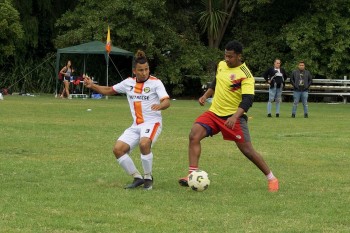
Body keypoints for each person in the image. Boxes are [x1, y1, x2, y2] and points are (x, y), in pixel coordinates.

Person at [178, 40, 279, 192]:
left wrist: (235, 117)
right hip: (214, 113)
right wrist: (205, 96)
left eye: (230, 56)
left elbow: (248, 99)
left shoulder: (245, 75)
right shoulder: (221, 65)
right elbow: (216, 82)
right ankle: (192, 174)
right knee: (194, 134)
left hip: (233, 117)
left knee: (247, 151)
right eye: (225, 55)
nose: (227, 59)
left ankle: (271, 178)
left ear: (239, 56)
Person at [83, 50, 170, 190]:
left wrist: (160, 105)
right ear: (134, 71)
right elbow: (109, 90)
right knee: (118, 150)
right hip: (136, 125)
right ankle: (137, 177)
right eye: (141, 70)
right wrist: (92, 86)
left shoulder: (156, 83)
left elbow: (166, 101)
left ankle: (148, 178)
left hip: (152, 123)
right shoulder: (128, 83)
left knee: (144, 144)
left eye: (146, 69)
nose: (144, 72)